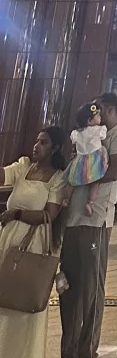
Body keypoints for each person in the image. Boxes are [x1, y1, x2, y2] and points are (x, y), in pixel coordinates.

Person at [60, 90, 117, 358]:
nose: (97, 114)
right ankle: (69, 347)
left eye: (100, 109)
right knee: (70, 285)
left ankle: (86, 349)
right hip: (74, 218)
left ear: (111, 110)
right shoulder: (90, 134)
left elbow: (112, 172)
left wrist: (83, 173)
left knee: (91, 288)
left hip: (96, 218)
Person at [0, 125, 69, 358]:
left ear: (55, 148)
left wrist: (17, 213)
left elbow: (50, 214)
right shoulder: (24, 167)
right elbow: (3, 175)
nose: (36, 146)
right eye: (37, 141)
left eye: (43, 142)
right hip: (7, 240)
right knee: (3, 296)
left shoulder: (58, 178)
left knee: (23, 298)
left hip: (33, 245)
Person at [65, 104, 109, 218]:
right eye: (98, 116)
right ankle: (90, 202)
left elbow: (74, 147)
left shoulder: (76, 133)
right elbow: (104, 140)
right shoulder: (99, 130)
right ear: (89, 120)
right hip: (94, 159)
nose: (100, 117)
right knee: (95, 182)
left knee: (72, 181)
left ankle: (66, 199)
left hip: (80, 160)